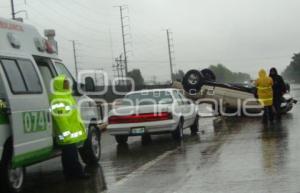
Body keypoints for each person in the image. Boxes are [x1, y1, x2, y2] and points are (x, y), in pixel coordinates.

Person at [50, 75, 88, 179]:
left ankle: (69, 174)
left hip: (70, 133)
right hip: (67, 134)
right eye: (65, 83)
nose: (67, 84)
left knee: (68, 155)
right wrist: (66, 133)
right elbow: (60, 119)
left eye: (67, 82)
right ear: (59, 85)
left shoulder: (67, 96)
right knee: (72, 156)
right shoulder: (57, 98)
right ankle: (78, 174)